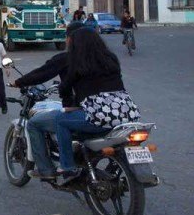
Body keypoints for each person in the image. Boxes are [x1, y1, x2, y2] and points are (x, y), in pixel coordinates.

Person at [55, 28, 135, 177]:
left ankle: (67, 166)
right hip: (126, 113)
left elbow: (66, 87)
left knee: (60, 120)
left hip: (101, 116)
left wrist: (67, 103)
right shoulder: (111, 58)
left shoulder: (77, 62)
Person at [10, 21, 84, 179]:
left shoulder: (67, 58)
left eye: (66, 37)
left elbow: (42, 73)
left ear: (70, 39)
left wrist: (19, 82)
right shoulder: (104, 58)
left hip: (82, 112)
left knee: (34, 123)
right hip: (113, 111)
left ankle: (47, 169)